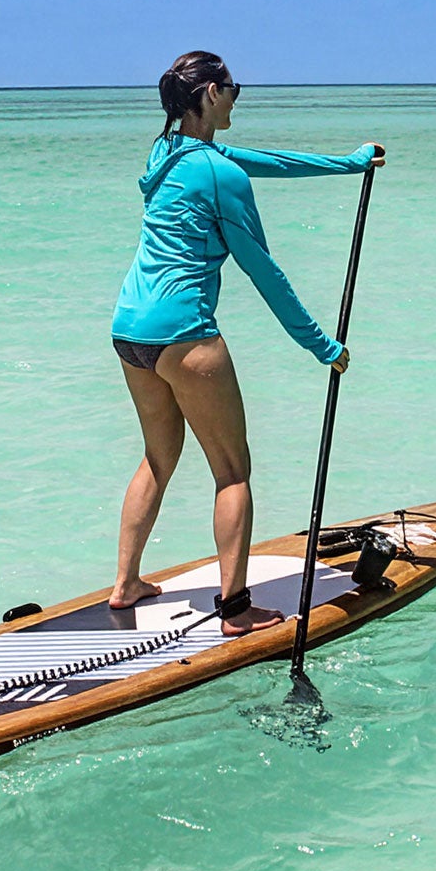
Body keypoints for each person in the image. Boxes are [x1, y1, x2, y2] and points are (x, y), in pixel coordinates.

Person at [109, 50, 385, 636]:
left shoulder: (166, 153)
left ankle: (126, 583)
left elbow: (264, 161)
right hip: (185, 334)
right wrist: (322, 346)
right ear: (211, 93)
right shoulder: (219, 174)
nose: (239, 97)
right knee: (232, 472)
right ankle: (234, 610)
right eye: (234, 88)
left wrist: (348, 165)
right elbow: (265, 274)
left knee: (159, 458)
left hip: (130, 330)